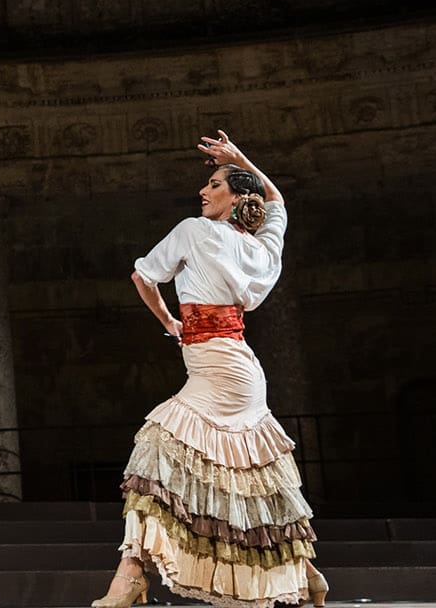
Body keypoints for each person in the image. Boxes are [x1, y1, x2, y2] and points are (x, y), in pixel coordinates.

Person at [92, 132, 328, 608]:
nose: (204, 191)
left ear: (238, 196)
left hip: (218, 364)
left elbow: (143, 276)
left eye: (215, 183)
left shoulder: (195, 231)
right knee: (247, 472)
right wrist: (241, 159)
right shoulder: (263, 246)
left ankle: (130, 574)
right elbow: (276, 198)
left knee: (155, 448)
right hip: (237, 363)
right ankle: (306, 574)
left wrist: (170, 323)